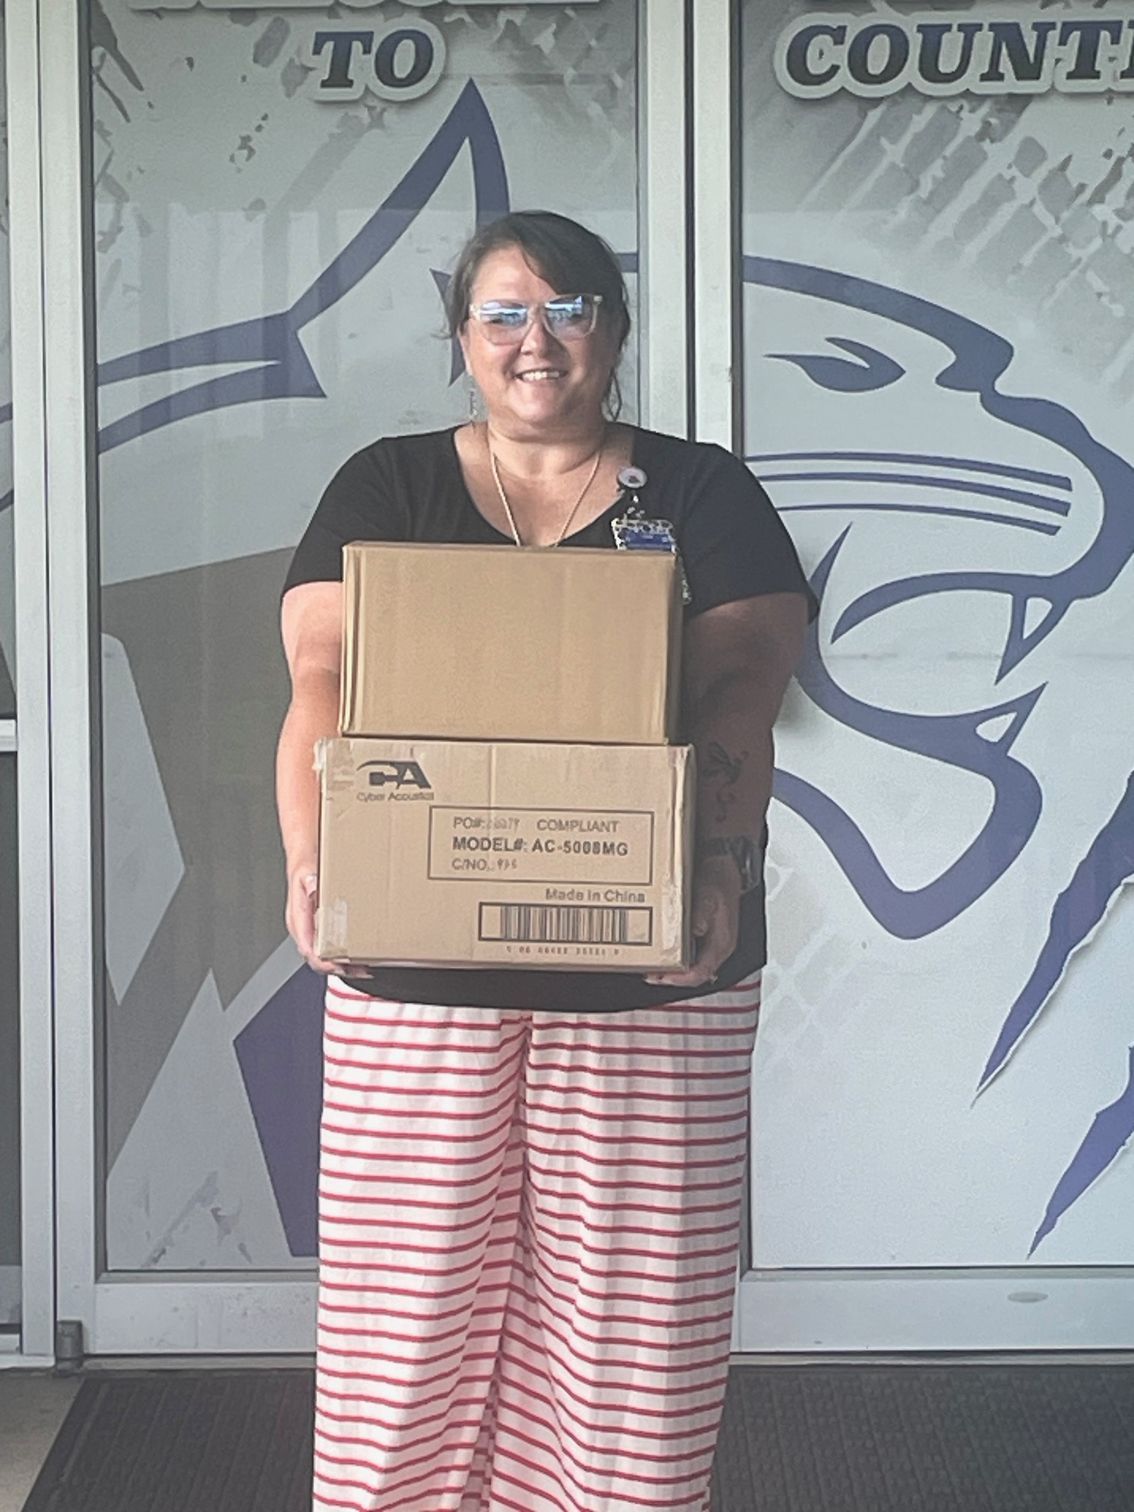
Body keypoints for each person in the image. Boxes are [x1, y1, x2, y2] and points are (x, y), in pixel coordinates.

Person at [277, 210, 812, 1512]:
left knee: (633, 1321)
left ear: (612, 333)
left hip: (650, 962)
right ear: (460, 334)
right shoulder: (386, 483)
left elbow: (744, 681)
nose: (536, 340)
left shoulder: (697, 493)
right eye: (503, 312)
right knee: (401, 1318)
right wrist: (314, 871)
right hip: (415, 964)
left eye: (568, 310)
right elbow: (319, 685)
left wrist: (723, 867)